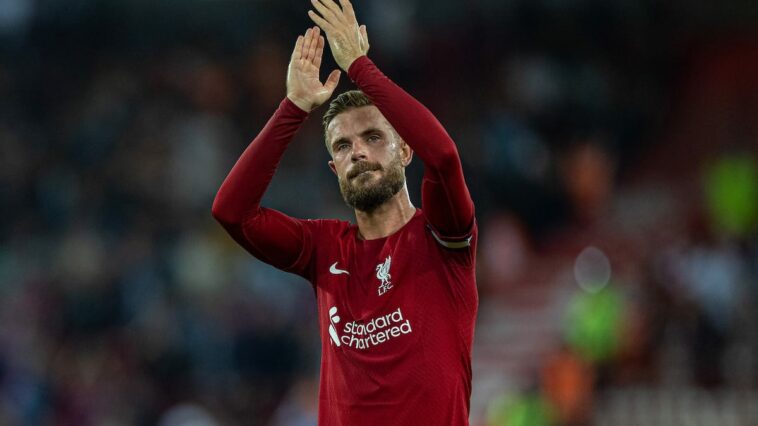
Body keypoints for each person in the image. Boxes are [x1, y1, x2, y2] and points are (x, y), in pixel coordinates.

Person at [211, 0, 477, 424]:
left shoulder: (442, 237)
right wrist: (294, 106)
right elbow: (231, 212)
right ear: (334, 169)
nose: (358, 152)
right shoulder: (323, 247)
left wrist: (359, 65)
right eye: (343, 146)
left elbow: (443, 157)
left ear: (406, 149)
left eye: (373, 137)